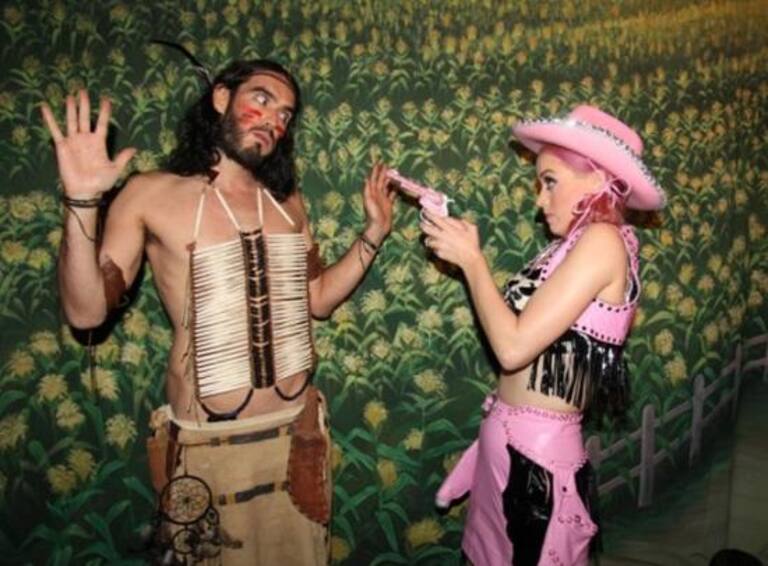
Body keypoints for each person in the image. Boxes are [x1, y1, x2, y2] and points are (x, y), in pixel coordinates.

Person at [41, 59, 395, 565]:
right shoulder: (151, 194)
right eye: (262, 100)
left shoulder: (287, 201)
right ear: (221, 97)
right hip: (207, 448)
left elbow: (318, 298)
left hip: (294, 442)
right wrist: (81, 201)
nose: (274, 120)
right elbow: (85, 312)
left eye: (285, 114)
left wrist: (374, 233)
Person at [421, 105, 665, 565]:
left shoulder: (603, 241)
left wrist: (472, 261)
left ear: (598, 179)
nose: (540, 200)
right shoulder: (565, 247)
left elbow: (512, 348)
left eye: (550, 181)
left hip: (536, 460)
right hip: (508, 445)